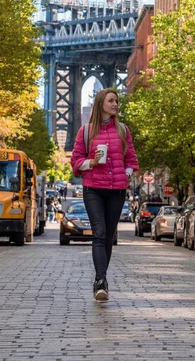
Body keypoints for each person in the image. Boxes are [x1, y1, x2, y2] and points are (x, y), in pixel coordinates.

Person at [71, 88, 139, 302]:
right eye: (111, 100)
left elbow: (132, 160)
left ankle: (101, 278)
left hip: (116, 191)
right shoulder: (86, 131)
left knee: (108, 236)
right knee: (99, 233)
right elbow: (75, 162)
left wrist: (126, 174)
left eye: (117, 101)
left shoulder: (123, 130)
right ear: (101, 103)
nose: (116, 104)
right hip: (93, 189)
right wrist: (90, 162)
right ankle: (101, 281)